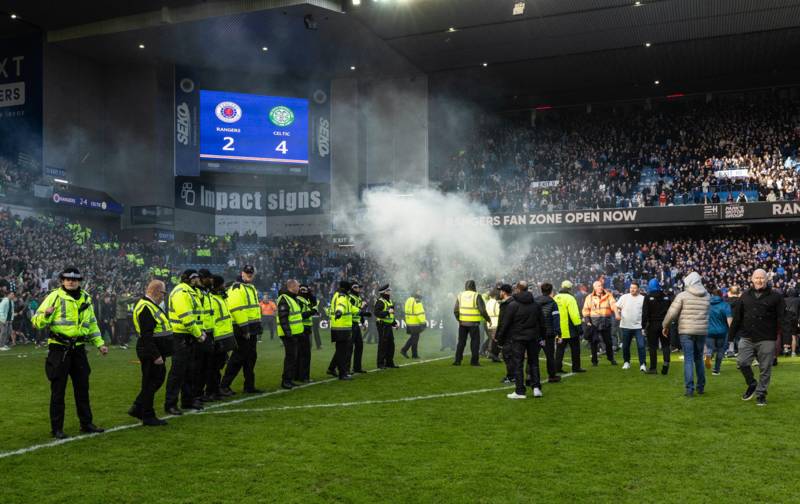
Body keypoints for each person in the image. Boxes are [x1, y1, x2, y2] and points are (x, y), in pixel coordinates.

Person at [32, 267, 108, 439]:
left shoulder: (86, 298)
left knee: (83, 389)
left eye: (74, 279)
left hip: (79, 350)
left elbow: (92, 324)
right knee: (58, 391)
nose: (71, 281)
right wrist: (46, 314)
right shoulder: (54, 296)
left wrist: (100, 344)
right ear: (62, 280)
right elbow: (36, 322)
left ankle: (86, 423)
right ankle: (57, 428)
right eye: (67, 279)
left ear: (79, 281)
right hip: (59, 350)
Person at [730, 269, 786, 406]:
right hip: (747, 336)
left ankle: (761, 394)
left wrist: (786, 338)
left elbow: (782, 318)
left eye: (762, 278)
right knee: (742, 363)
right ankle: (752, 383)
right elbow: (737, 317)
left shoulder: (776, 297)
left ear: (767, 280)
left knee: (765, 368)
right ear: (752, 279)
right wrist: (730, 337)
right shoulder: (744, 296)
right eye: (757, 278)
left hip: (767, 337)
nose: (759, 280)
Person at [128, 280, 173, 426]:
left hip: (154, 349)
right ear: (157, 291)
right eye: (163, 293)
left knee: (156, 380)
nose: (164, 296)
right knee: (150, 382)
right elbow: (147, 335)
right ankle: (147, 415)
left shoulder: (149, 305)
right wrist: (156, 355)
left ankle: (138, 407)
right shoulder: (146, 307)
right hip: (150, 350)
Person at [662, 272, 710, 397]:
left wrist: (665, 326)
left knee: (688, 360)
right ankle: (700, 386)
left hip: (686, 330)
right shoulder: (707, 296)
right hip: (701, 331)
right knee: (699, 358)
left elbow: (672, 313)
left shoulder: (682, 295)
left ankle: (689, 389)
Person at [496, 281, 546, 399]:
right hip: (533, 337)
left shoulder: (513, 305)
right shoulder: (536, 305)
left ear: (517, 290)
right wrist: (542, 337)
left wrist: (500, 340)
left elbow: (506, 324)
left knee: (518, 363)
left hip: (518, 338)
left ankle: (520, 391)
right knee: (534, 362)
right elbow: (542, 323)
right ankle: (536, 388)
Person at [165, 269, 204, 415]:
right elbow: (186, 317)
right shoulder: (181, 292)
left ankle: (187, 400)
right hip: (180, 335)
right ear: (190, 279)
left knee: (189, 371)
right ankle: (170, 403)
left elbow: (198, 316)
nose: (198, 280)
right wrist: (199, 334)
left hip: (188, 335)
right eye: (195, 277)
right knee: (178, 371)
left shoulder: (190, 292)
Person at [220, 265, 263, 395]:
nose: (249, 275)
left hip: (251, 328)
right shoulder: (237, 287)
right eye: (247, 273)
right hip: (242, 329)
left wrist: (257, 326)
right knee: (238, 358)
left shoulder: (250, 288)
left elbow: (253, 309)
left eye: (251, 273)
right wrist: (245, 329)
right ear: (242, 273)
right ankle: (224, 385)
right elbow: (237, 309)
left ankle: (249, 386)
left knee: (250, 358)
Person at [208, 275, 236, 397]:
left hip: (224, 336)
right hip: (217, 338)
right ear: (218, 285)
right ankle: (211, 391)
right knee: (213, 367)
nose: (225, 286)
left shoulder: (220, 298)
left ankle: (215, 390)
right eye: (223, 284)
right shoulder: (212, 299)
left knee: (218, 366)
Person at [453, 280, 491, 366]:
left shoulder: (460, 295)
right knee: (475, 343)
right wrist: (488, 319)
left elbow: (455, 310)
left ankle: (457, 360)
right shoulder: (476, 295)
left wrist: (459, 319)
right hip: (474, 324)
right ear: (474, 286)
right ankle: (474, 361)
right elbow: (482, 310)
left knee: (461, 342)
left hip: (463, 323)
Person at [582, 281, 618, 367]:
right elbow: (585, 309)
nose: (600, 287)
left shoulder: (609, 295)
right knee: (594, 342)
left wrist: (616, 312)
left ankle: (611, 358)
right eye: (598, 286)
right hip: (594, 322)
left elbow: (613, 305)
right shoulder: (589, 297)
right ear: (594, 288)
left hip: (605, 321)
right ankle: (594, 361)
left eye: (601, 286)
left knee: (608, 342)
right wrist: (587, 320)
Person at [276, 279, 304, 389]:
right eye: (297, 286)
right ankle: (286, 381)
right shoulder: (284, 299)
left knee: (293, 357)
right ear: (291, 287)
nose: (299, 288)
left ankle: (289, 379)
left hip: (294, 333)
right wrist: (288, 333)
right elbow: (283, 318)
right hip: (289, 334)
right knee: (290, 357)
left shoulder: (292, 298)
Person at [554, 281, 586, 374]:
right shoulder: (570, 298)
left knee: (559, 350)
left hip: (559, 329)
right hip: (570, 329)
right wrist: (579, 327)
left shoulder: (556, 297)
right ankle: (576, 367)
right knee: (575, 349)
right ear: (570, 288)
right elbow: (574, 314)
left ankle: (557, 368)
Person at [641, 279, 672, 375]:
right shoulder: (666, 297)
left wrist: (643, 326)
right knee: (665, 345)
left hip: (653, 324)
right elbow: (670, 312)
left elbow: (645, 313)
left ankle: (653, 368)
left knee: (652, 347)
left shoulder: (647, 297)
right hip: (664, 324)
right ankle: (666, 363)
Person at [616, 282, 646, 372]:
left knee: (641, 346)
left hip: (639, 326)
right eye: (631, 287)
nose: (632, 289)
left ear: (638, 289)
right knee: (625, 346)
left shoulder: (643, 299)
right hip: (625, 326)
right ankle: (626, 362)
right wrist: (617, 314)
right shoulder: (624, 297)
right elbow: (616, 307)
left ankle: (643, 364)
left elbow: (646, 312)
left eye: (634, 288)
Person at [534, 283, 561, 383]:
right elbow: (556, 319)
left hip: (536, 333)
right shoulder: (553, 303)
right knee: (550, 356)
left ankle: (529, 375)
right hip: (548, 333)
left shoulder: (535, 301)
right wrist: (559, 332)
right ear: (551, 291)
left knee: (533, 355)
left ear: (541, 290)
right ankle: (552, 376)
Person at [327, 280, 353, 380]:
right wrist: (339, 312)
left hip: (338, 327)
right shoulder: (342, 296)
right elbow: (341, 306)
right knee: (343, 352)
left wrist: (360, 312)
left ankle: (332, 368)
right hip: (341, 328)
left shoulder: (337, 294)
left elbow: (349, 308)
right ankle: (342, 374)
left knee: (340, 351)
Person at [705, 287, 732, 376]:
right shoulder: (725, 305)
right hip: (722, 332)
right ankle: (716, 370)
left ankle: (708, 354)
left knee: (710, 347)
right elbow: (729, 320)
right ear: (721, 295)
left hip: (709, 330)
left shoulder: (707, 305)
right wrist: (732, 331)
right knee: (721, 351)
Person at [296, 284, 317, 382]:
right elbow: (299, 315)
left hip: (304, 329)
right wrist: (311, 312)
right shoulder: (299, 300)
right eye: (303, 289)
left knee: (300, 353)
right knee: (305, 354)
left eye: (306, 290)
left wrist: (310, 293)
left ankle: (298, 375)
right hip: (303, 328)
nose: (305, 291)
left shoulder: (304, 300)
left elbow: (314, 301)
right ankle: (304, 377)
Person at [495, 284, 516, 383]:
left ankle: (511, 376)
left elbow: (503, 322)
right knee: (512, 356)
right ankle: (513, 375)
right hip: (515, 333)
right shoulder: (515, 302)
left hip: (508, 334)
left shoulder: (506, 304)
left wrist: (499, 336)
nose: (499, 293)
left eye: (500, 291)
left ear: (503, 292)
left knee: (507, 355)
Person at [375, 284, 399, 369]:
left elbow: (390, 315)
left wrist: (394, 323)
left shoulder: (389, 301)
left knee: (391, 345)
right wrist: (388, 312)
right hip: (382, 325)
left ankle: (389, 362)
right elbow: (377, 313)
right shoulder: (380, 301)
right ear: (384, 292)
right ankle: (380, 363)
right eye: (388, 291)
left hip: (388, 325)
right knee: (383, 345)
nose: (390, 292)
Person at [347, 281, 370, 373]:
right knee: (349, 347)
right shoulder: (350, 298)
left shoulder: (358, 298)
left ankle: (357, 367)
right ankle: (347, 369)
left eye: (359, 287)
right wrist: (362, 307)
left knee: (359, 346)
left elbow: (359, 313)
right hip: (351, 324)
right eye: (356, 287)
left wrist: (363, 322)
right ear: (352, 288)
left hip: (356, 324)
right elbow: (353, 310)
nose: (359, 289)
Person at [401, 290, 426, 359]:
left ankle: (413, 354)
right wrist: (423, 322)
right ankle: (405, 350)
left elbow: (406, 311)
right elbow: (420, 313)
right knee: (415, 339)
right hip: (415, 322)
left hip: (409, 322)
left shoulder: (408, 299)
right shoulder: (417, 301)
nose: (420, 293)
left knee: (413, 338)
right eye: (418, 292)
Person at [782, 288, 799, 356]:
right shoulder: (798, 300)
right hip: (795, 319)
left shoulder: (784, 300)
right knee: (793, 336)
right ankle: (793, 352)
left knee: (786, 334)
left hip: (785, 319)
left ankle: (786, 349)